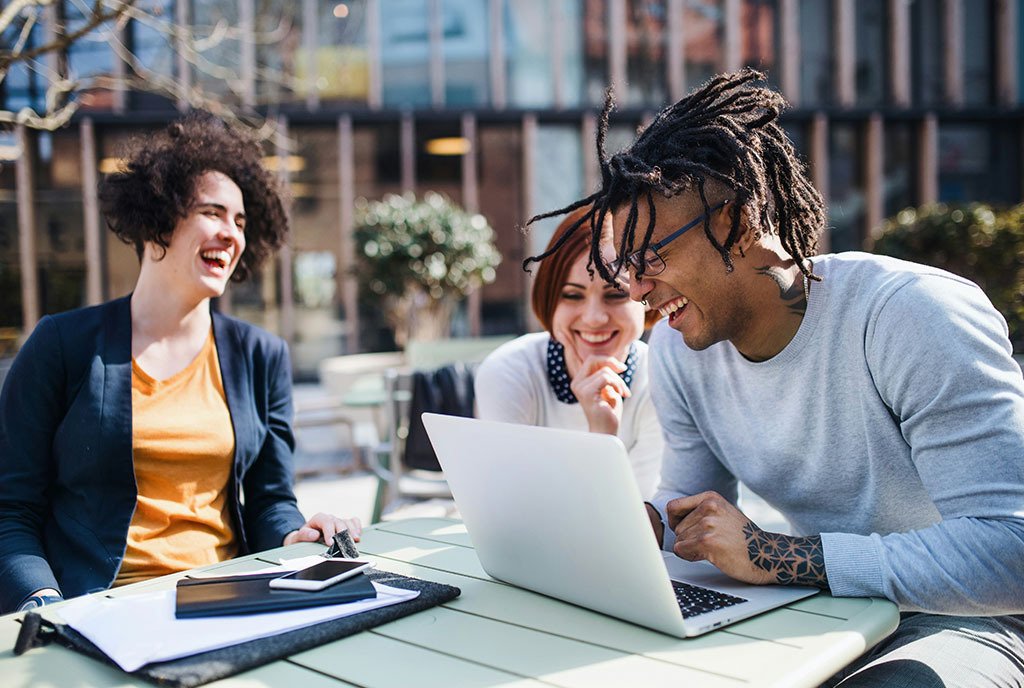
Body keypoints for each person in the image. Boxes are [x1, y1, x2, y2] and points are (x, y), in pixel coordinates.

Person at [525, 69, 1024, 686]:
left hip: (957, 621)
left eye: (648, 260)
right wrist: (630, 523)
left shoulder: (912, 316)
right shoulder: (685, 350)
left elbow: (1010, 552)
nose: (634, 293)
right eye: (623, 267)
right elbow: (690, 508)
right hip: (810, 608)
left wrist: (777, 556)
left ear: (737, 223)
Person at [0, 112, 361, 614]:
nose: (231, 234)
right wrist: (42, 604)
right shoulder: (61, 345)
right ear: (157, 221)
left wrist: (295, 537)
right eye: (212, 213)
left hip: (227, 600)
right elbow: (11, 510)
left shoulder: (261, 356)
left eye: (240, 221)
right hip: (96, 606)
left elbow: (269, 501)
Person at [475, 208, 663, 498]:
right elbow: (510, 505)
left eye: (615, 294)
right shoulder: (509, 372)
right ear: (549, 299)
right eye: (572, 295)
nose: (594, 318)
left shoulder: (662, 380)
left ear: (646, 298)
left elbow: (638, 520)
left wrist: (603, 436)